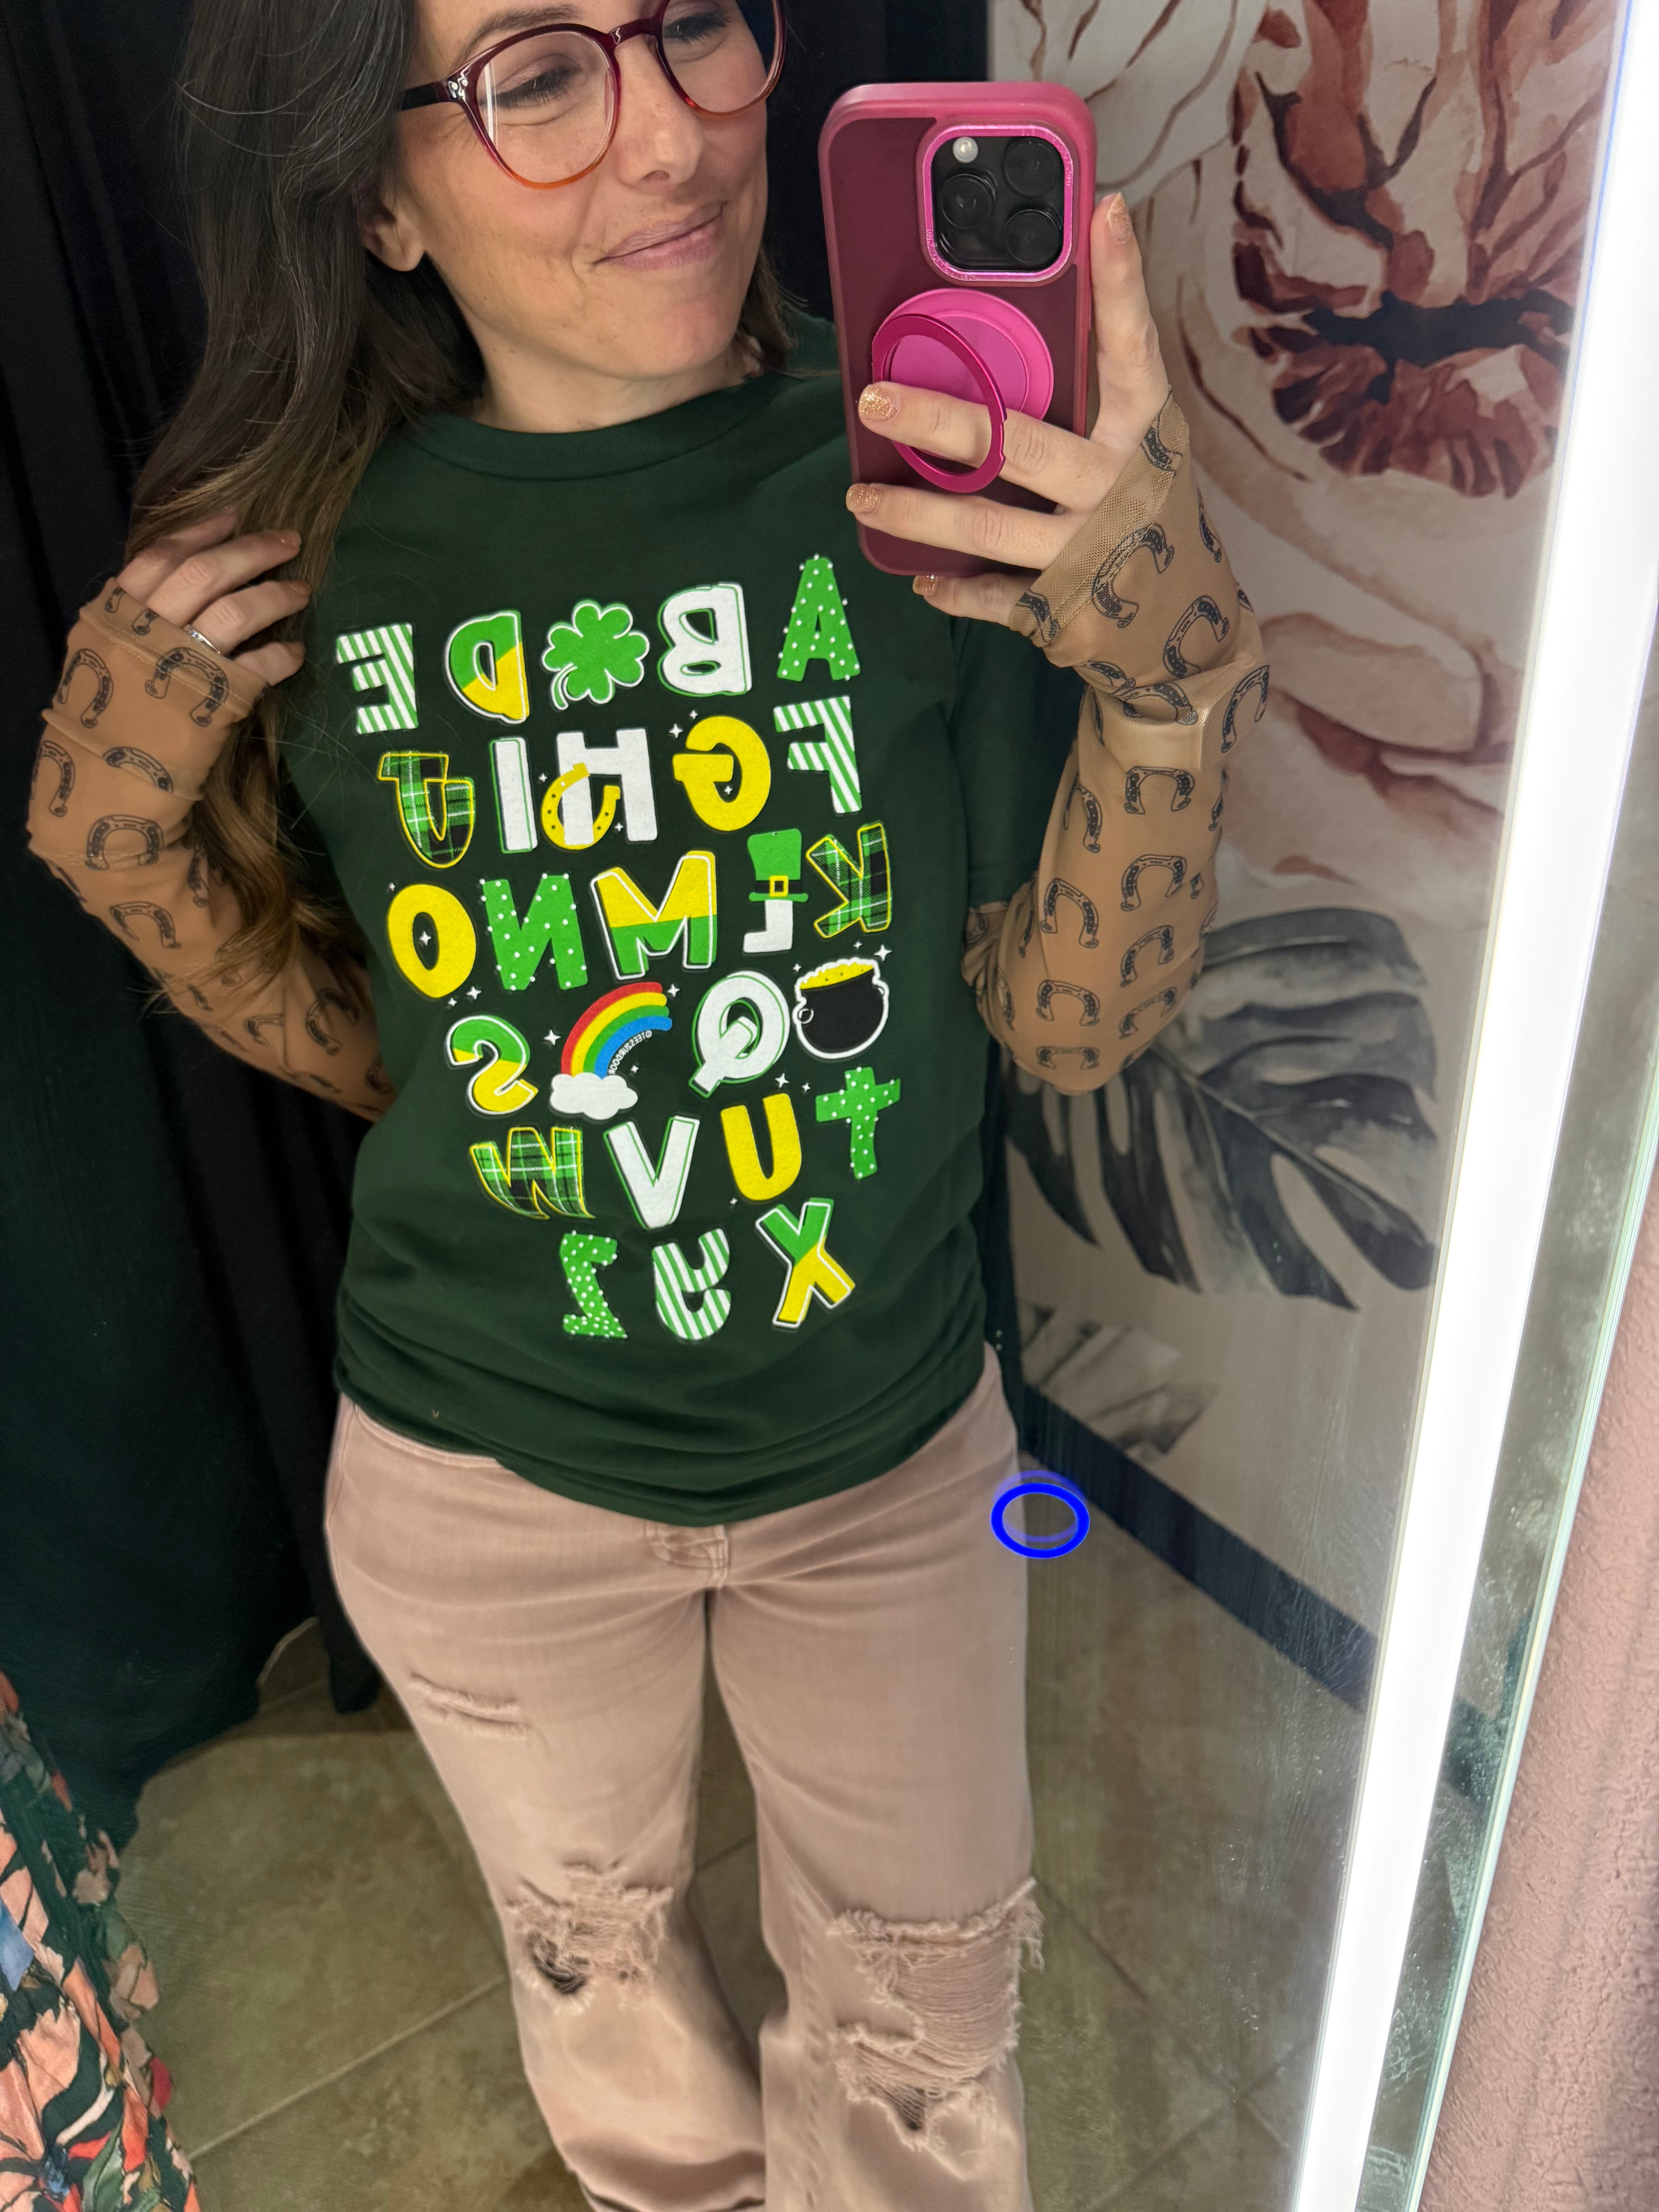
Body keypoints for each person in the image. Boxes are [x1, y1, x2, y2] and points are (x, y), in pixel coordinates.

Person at [26, 2, 1264, 2204]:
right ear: (378, 199)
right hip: (482, 1487)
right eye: (536, 76)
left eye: (693, 21)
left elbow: (1070, 1031)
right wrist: (117, 830)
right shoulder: (310, 561)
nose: (675, 136)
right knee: (606, 1998)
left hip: (887, 1468)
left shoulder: (926, 486)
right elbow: (399, 1063)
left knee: (924, 2061)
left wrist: (1171, 691)